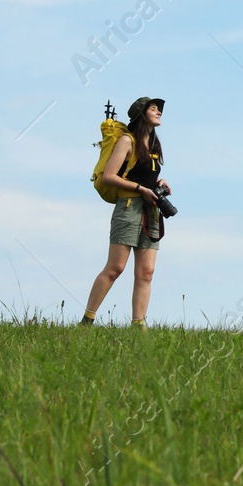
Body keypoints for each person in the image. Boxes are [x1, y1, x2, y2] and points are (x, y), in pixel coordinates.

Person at [80, 97, 169, 327]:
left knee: (146, 272)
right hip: (129, 207)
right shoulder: (127, 141)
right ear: (141, 114)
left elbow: (142, 174)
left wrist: (158, 182)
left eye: (159, 108)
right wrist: (141, 189)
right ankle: (87, 320)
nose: (158, 111)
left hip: (151, 211)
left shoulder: (154, 146)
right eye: (153, 108)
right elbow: (110, 175)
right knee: (115, 267)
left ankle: (138, 326)